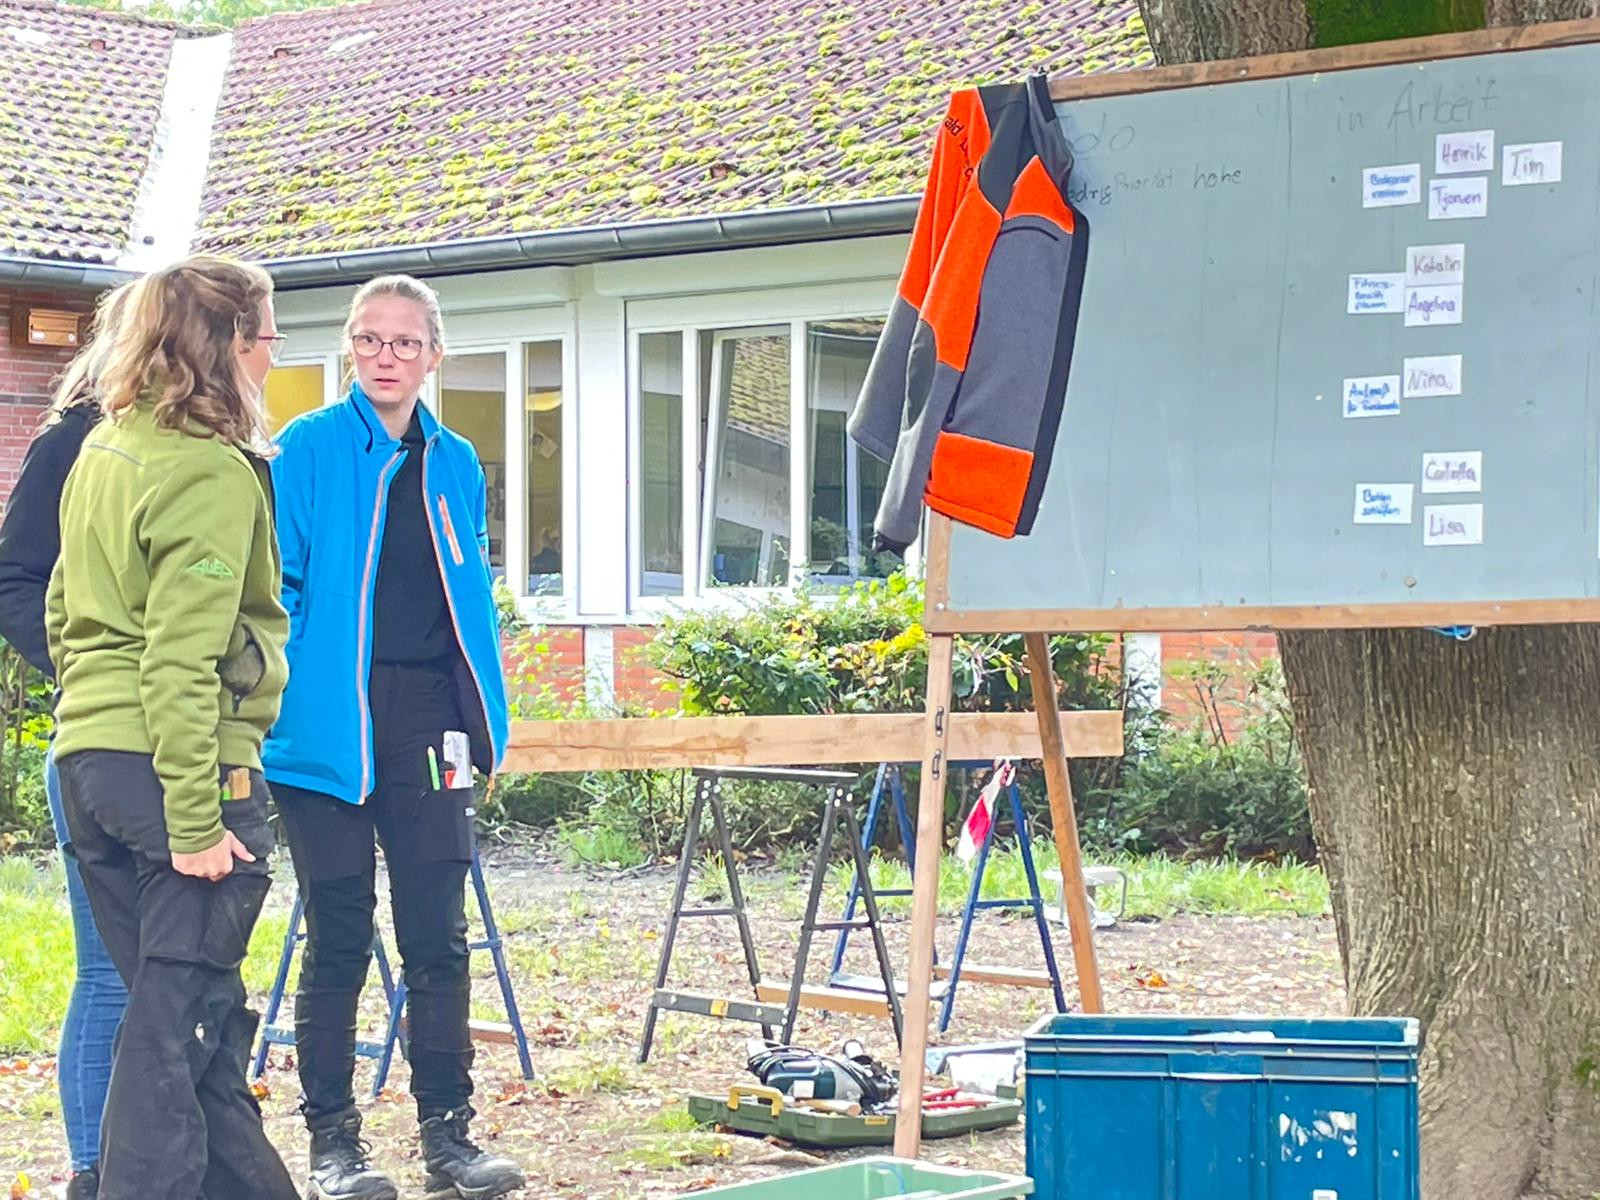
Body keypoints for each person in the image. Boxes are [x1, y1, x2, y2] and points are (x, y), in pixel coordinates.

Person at [45, 255, 299, 1200]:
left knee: (198, 1020)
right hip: (181, 773)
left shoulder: (104, 451)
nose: (275, 352)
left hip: (93, 764)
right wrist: (198, 817)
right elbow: (182, 661)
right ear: (228, 343)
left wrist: (96, 734)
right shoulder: (211, 473)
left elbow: (67, 615)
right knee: (172, 1029)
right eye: (268, 334)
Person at [265, 274, 520, 1200]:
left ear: (433, 357)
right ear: (347, 349)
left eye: (404, 343)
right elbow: (278, 588)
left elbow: (473, 598)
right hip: (323, 725)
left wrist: (482, 720)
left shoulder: (456, 461)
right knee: (339, 933)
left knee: (438, 938)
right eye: (370, 340)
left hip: (427, 723)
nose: (385, 356)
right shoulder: (307, 447)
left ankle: (448, 1136)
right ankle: (334, 1141)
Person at [0, 285, 130, 1200]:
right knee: (108, 974)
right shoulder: (76, 440)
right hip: (97, 740)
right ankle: (93, 1169)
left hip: (182, 744)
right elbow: (14, 577)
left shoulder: (211, 447)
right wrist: (80, 668)